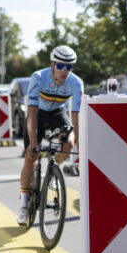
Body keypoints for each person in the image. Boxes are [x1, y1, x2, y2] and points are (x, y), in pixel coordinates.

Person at [17, 45, 84, 226]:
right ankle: (24, 205)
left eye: (69, 67)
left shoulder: (76, 83)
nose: (65, 71)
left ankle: (53, 174)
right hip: (37, 115)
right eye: (61, 66)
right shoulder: (38, 78)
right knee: (31, 157)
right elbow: (31, 112)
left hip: (57, 113)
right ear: (52, 64)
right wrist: (33, 142)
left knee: (68, 142)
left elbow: (76, 115)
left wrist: (80, 142)